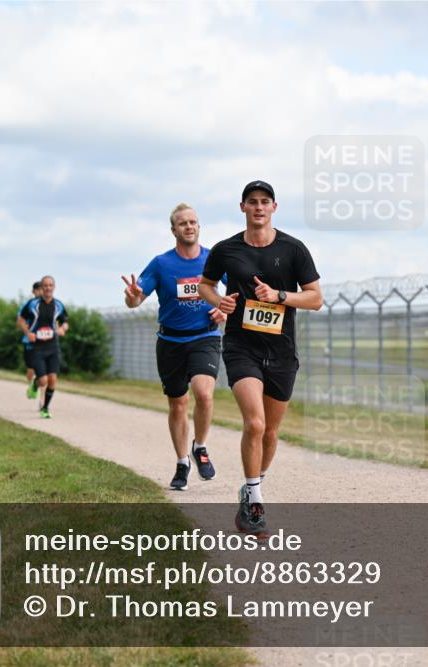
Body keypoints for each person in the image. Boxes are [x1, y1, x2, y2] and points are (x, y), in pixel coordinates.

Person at [199, 180, 322, 537]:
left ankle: (251, 487)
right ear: (242, 207)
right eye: (252, 202)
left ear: (274, 208)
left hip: (282, 350)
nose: (258, 207)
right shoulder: (226, 249)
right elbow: (206, 284)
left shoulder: (293, 249)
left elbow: (315, 298)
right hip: (241, 347)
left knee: (270, 431)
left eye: (264, 202)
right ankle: (255, 502)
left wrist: (279, 296)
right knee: (254, 423)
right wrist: (218, 301)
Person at [122, 203, 226, 491]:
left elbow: (238, 289)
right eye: (183, 223)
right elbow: (135, 300)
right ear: (173, 230)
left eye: (193, 222)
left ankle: (200, 447)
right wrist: (131, 296)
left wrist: (224, 309)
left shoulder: (213, 259)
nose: (189, 227)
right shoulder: (161, 263)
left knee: (204, 394)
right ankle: (182, 463)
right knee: (178, 403)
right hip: (170, 342)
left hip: (205, 336)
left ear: (199, 227)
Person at [17, 276, 68, 418]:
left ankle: (45, 409)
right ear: (42, 287)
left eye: (50, 285)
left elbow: (65, 322)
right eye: (45, 285)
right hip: (37, 348)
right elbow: (21, 320)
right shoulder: (32, 304)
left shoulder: (58, 305)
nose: (48, 288)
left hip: (53, 346)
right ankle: (35, 383)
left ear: (54, 287)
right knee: (43, 380)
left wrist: (63, 328)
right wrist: (28, 333)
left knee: (52, 380)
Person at [22, 281, 43, 398]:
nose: (41, 292)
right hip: (29, 341)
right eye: (38, 289)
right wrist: (28, 333)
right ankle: (31, 386)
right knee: (31, 368)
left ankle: (37, 388)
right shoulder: (28, 305)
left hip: (44, 342)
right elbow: (20, 321)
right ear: (33, 291)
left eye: (42, 289)